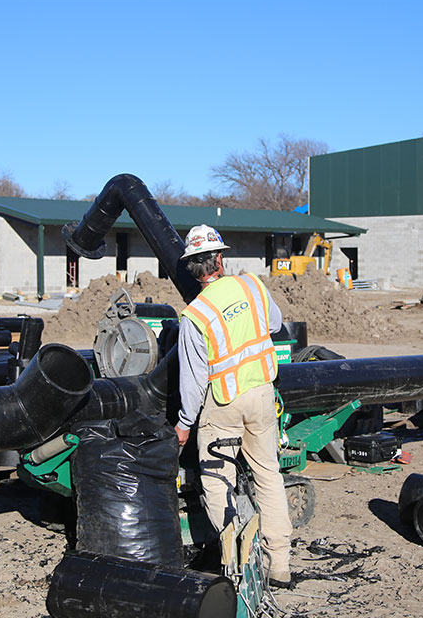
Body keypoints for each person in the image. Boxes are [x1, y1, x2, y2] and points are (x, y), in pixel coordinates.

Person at [173, 224, 294, 588]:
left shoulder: (194, 315)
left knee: (216, 480)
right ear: (220, 259)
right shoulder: (253, 285)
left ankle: (235, 562)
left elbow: (193, 380)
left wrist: (182, 425)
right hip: (261, 394)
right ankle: (279, 565)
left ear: (192, 268)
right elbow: (274, 325)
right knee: (269, 475)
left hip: (222, 405)